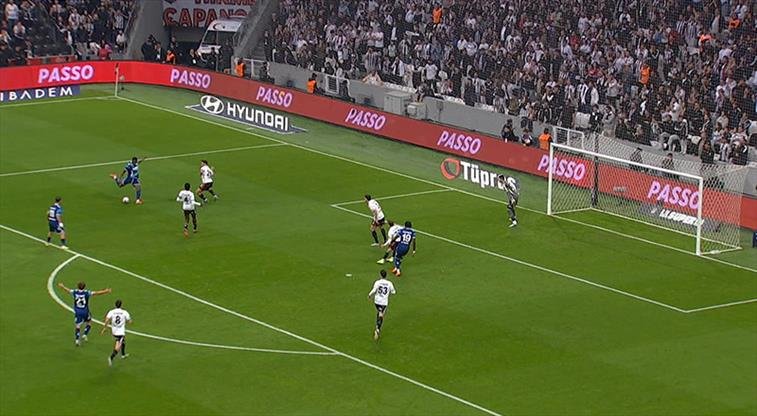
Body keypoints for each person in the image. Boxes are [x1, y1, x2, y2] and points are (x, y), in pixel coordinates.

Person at [56, 281, 111, 346]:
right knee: (89, 322)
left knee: (78, 326)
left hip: (78, 312)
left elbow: (68, 290)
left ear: (78, 286)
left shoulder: (75, 292)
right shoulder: (86, 293)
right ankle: (85, 334)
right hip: (85, 311)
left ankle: (77, 340)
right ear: (84, 287)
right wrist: (106, 291)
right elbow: (97, 293)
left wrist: (62, 286)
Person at [101, 299, 131, 366]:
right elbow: (129, 321)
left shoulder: (111, 311)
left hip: (114, 331)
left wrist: (105, 328)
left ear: (115, 305)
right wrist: (126, 321)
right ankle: (111, 357)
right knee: (118, 346)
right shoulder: (124, 312)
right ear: (121, 305)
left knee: (123, 341)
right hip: (120, 332)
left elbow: (107, 320)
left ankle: (123, 355)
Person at [367, 269, 396, 340]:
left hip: (377, 301)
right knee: (381, 315)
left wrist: (369, 295)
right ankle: (377, 328)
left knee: (379, 313)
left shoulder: (377, 282)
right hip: (384, 302)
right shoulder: (389, 283)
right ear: (386, 275)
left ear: (380, 275)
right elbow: (393, 292)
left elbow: (374, 290)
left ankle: (379, 314)